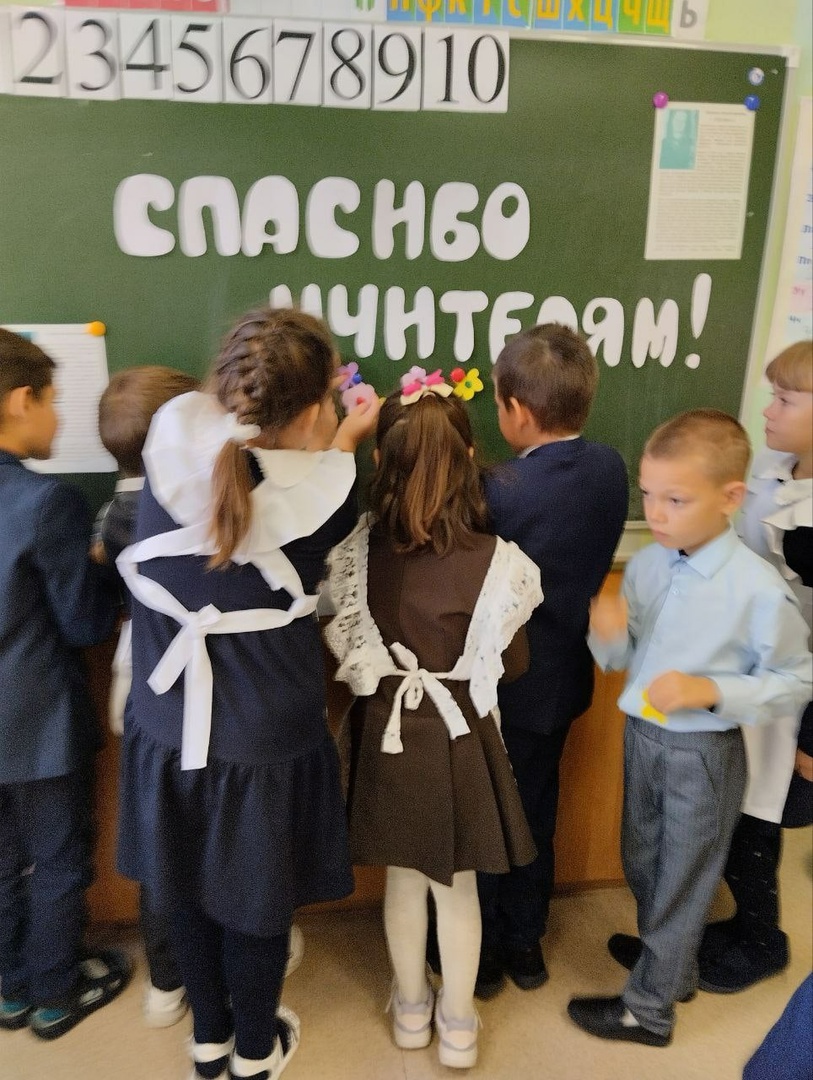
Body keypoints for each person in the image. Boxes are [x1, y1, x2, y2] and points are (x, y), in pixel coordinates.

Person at [116, 307, 378, 1080]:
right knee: (257, 903)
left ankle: (208, 1043)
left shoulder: (170, 445)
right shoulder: (328, 494)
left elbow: (244, 463)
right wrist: (347, 442)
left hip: (168, 724)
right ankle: (255, 1053)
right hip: (263, 738)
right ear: (310, 410)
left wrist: (322, 432)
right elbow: (306, 481)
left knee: (184, 891)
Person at [569, 409, 811, 1047]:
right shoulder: (650, 565)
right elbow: (623, 657)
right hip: (643, 738)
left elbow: (796, 679)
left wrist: (713, 691)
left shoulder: (756, 588)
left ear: (730, 498)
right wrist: (608, 634)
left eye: (675, 500)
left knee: (685, 876)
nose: (656, 513)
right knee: (643, 859)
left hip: (704, 751)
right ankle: (669, 962)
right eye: (648, 495)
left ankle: (649, 1011)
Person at [324, 376, 542, 1069]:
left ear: (379, 462)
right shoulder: (498, 564)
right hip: (460, 739)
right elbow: (512, 665)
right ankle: (458, 1024)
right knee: (458, 888)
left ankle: (412, 1011)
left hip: (388, 736)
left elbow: (344, 653)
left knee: (404, 882)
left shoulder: (359, 553)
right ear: (470, 458)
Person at [475, 323, 628, 998]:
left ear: (517, 410)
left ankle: (483, 956)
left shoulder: (499, 491)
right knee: (536, 808)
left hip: (504, 685)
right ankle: (526, 945)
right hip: (563, 680)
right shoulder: (610, 468)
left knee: (490, 815)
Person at [0, 328, 130, 1040]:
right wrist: (100, 565)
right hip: (38, 725)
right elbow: (83, 624)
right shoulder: (47, 503)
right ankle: (54, 993)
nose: (56, 419)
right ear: (21, 400)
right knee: (55, 859)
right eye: (53, 402)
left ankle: (10, 988)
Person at [698, 340, 812, 993]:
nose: (767, 411)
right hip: (745, 676)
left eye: (785, 400)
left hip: (791, 697)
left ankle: (762, 940)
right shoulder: (772, 470)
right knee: (733, 809)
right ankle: (742, 925)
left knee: (759, 822)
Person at [95, 365, 199, 1028]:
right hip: (192, 687)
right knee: (209, 832)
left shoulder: (112, 515)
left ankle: (166, 979)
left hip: (136, 683)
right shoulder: (193, 508)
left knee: (160, 837)